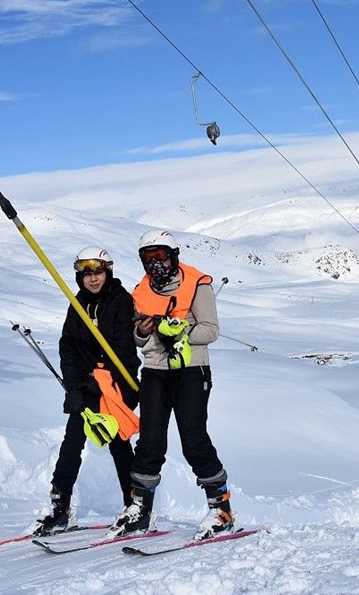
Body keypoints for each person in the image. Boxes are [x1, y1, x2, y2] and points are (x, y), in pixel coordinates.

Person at [108, 229, 234, 540]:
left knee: (193, 439)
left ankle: (221, 508)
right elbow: (139, 340)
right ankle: (140, 509)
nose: (155, 264)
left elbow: (211, 330)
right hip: (154, 371)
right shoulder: (140, 292)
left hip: (191, 370)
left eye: (160, 256)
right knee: (149, 442)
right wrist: (144, 331)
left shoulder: (196, 284)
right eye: (148, 258)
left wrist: (179, 331)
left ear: (173, 255)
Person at [31, 247, 141, 536]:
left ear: (108, 272)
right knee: (73, 441)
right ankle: (59, 506)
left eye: (98, 272)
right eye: (87, 273)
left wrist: (96, 382)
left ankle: (135, 506)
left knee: (118, 444)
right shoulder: (77, 303)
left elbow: (124, 350)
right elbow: (68, 345)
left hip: (116, 383)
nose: (93, 279)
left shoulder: (120, 301)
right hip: (86, 384)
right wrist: (74, 386)